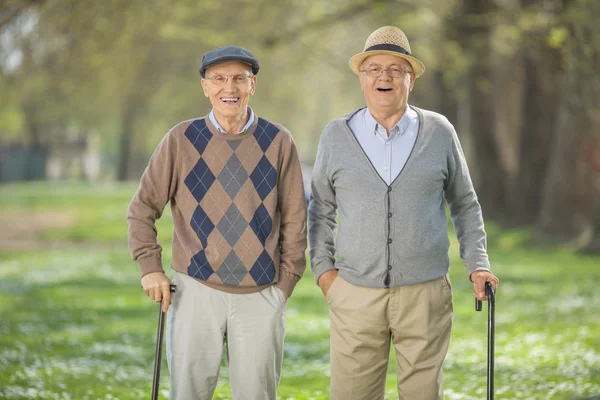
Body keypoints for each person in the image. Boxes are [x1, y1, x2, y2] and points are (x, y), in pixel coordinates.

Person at [308, 26, 499, 400]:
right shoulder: (336, 135)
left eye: (396, 69)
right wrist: (324, 272)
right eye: (374, 68)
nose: (385, 77)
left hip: (425, 293)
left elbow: (464, 203)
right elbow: (320, 209)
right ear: (362, 78)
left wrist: (478, 263)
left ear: (411, 79)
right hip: (354, 293)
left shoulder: (439, 131)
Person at [127, 45, 307, 400]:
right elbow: (142, 208)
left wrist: (283, 287)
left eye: (239, 78)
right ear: (205, 87)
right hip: (195, 291)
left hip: (261, 294)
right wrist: (150, 268)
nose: (230, 88)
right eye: (219, 79)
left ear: (252, 85)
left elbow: (296, 221)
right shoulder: (181, 140)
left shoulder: (279, 141)